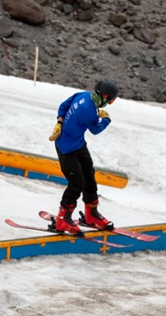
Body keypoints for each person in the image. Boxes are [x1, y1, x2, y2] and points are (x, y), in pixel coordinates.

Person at [47, 79, 120, 235]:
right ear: (105, 96)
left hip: (78, 143)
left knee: (89, 175)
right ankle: (62, 219)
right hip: (66, 147)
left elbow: (63, 106)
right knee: (76, 183)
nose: (109, 104)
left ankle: (91, 215)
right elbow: (96, 129)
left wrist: (60, 121)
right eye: (111, 100)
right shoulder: (88, 110)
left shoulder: (84, 95)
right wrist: (106, 119)